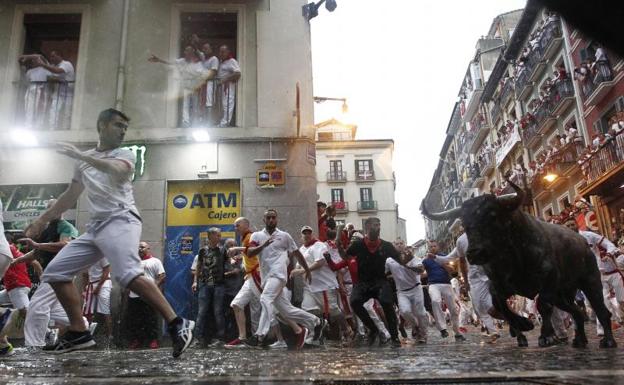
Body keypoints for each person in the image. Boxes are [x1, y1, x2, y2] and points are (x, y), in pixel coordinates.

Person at [25, 108, 194, 356]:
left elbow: (119, 170)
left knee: (127, 274)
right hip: (96, 227)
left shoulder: (124, 154)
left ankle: (177, 323)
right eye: (118, 125)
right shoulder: (83, 162)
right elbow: (69, 196)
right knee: (56, 272)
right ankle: (78, 331)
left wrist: (82, 156)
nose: (123, 131)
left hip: (121, 219)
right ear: (102, 126)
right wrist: (41, 221)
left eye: (125, 127)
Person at [244, 209, 322, 349]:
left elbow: (297, 253)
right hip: (266, 278)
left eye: (273, 217)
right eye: (268, 218)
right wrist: (264, 245)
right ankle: (316, 321)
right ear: (264, 220)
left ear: (277, 219)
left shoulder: (284, 236)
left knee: (265, 299)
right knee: (286, 310)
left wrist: (307, 270)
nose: (271, 220)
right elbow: (249, 253)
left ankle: (259, 335)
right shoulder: (256, 235)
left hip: (279, 275)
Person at [342, 217, 402, 347]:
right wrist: (340, 247)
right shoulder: (358, 244)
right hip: (363, 282)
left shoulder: (386, 246)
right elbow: (345, 256)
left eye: (379, 225)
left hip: (380, 281)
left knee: (387, 303)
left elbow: (400, 259)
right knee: (354, 302)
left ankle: (394, 336)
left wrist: (408, 261)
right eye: (375, 225)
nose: (378, 227)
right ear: (367, 227)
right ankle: (373, 329)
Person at [563, 216, 624, 335]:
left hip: (604, 271)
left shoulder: (589, 235)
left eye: (572, 224)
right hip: (587, 276)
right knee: (599, 301)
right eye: (568, 226)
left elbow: (608, 243)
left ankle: (610, 324)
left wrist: (609, 253)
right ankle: (603, 329)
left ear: (577, 224)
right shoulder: (564, 241)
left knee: (621, 299)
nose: (571, 227)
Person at [292, 227, 351, 342]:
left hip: (324, 285)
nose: (307, 235)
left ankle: (346, 329)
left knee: (333, 310)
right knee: (307, 309)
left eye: (309, 233)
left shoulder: (319, 245)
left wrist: (303, 271)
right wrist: (296, 270)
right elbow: (298, 265)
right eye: (304, 233)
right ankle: (318, 332)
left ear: (312, 234)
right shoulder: (302, 249)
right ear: (301, 236)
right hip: (310, 286)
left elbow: (320, 262)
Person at [443, 224, 501, 343]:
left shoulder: (482, 234)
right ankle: (495, 330)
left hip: (485, 275)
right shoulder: (461, 240)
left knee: (487, 306)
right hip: (477, 278)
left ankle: (512, 322)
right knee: (481, 307)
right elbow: (458, 260)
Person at [225, 217, 262, 348]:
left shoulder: (251, 237)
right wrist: (240, 259)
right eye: (235, 226)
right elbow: (249, 255)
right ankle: (245, 338)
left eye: (238, 225)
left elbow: (252, 252)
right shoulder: (246, 238)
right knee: (238, 305)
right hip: (250, 277)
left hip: (256, 276)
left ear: (246, 225)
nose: (236, 228)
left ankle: (259, 338)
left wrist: (237, 249)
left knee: (269, 307)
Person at [149, 47, 207, 127]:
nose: (185, 52)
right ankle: (185, 122)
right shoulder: (182, 61)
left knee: (195, 106)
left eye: (187, 51)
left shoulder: (197, 63)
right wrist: (159, 60)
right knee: (185, 105)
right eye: (185, 51)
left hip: (194, 87)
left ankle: (194, 123)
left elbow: (202, 75)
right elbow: (171, 62)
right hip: (186, 86)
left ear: (191, 53)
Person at [385, 243, 429, 344]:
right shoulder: (389, 260)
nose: (399, 245)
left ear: (405, 246)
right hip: (401, 291)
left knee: (421, 313)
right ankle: (415, 325)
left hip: (416, 289)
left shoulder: (414, 258)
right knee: (404, 311)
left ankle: (423, 335)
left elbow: (421, 270)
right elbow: (383, 272)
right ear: (393, 247)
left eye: (401, 243)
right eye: (397, 244)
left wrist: (406, 264)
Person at [423, 240, 466, 341]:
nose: (433, 248)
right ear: (429, 249)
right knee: (435, 301)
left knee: (453, 309)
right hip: (433, 284)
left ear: (438, 247)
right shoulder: (426, 260)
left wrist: (443, 263)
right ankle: (442, 329)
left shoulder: (444, 257)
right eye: (431, 247)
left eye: (434, 246)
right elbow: (422, 272)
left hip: (446, 284)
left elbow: (452, 271)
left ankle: (457, 332)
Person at [126, 242, 166, 349]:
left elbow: (162, 276)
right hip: (134, 295)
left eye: (142, 247)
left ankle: (153, 340)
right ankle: (136, 340)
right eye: (138, 247)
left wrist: (153, 287)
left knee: (150, 318)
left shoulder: (155, 261)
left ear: (148, 248)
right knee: (135, 319)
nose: (140, 249)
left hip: (149, 296)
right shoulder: (134, 263)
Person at [192, 228, 227, 346]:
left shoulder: (223, 250)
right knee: (202, 312)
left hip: (219, 284)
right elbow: (198, 266)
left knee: (218, 311)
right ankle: (197, 338)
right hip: (204, 284)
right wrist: (195, 281)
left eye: (219, 235)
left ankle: (220, 338)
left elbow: (228, 263)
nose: (219, 237)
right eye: (217, 235)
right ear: (211, 236)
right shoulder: (202, 251)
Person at [82, 258, 112, 341]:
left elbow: (106, 271)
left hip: (104, 283)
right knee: (87, 310)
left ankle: (109, 336)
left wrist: (98, 287)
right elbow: (85, 275)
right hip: (91, 284)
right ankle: (86, 336)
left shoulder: (102, 255)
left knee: (105, 310)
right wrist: (84, 290)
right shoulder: (87, 258)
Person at [216, 45, 241, 127]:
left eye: (223, 52)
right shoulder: (221, 62)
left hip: (228, 86)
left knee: (227, 104)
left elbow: (237, 73)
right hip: (221, 86)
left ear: (228, 52)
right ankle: (222, 122)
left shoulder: (232, 61)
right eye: (220, 52)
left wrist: (225, 79)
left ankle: (225, 123)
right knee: (222, 104)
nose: (221, 53)